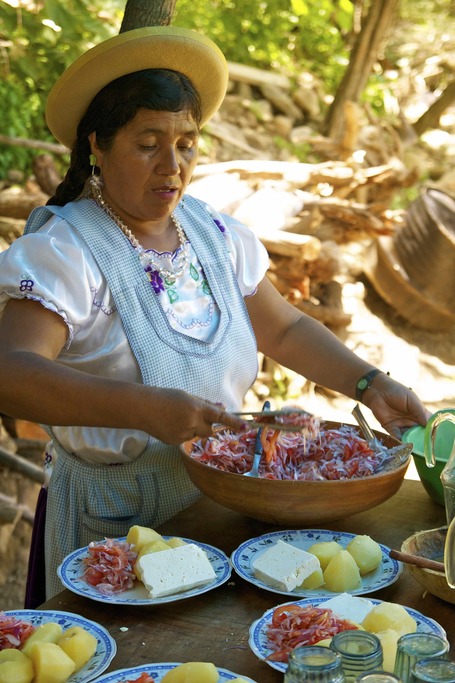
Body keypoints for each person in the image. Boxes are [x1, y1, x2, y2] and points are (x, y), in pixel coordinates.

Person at [0, 26, 429, 608]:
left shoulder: (212, 234)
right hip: (118, 526)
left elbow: (284, 327)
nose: (171, 166)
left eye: (187, 144)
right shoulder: (68, 253)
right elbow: (11, 372)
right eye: (147, 143)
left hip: (224, 515)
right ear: (97, 145)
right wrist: (145, 410)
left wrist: (369, 383)